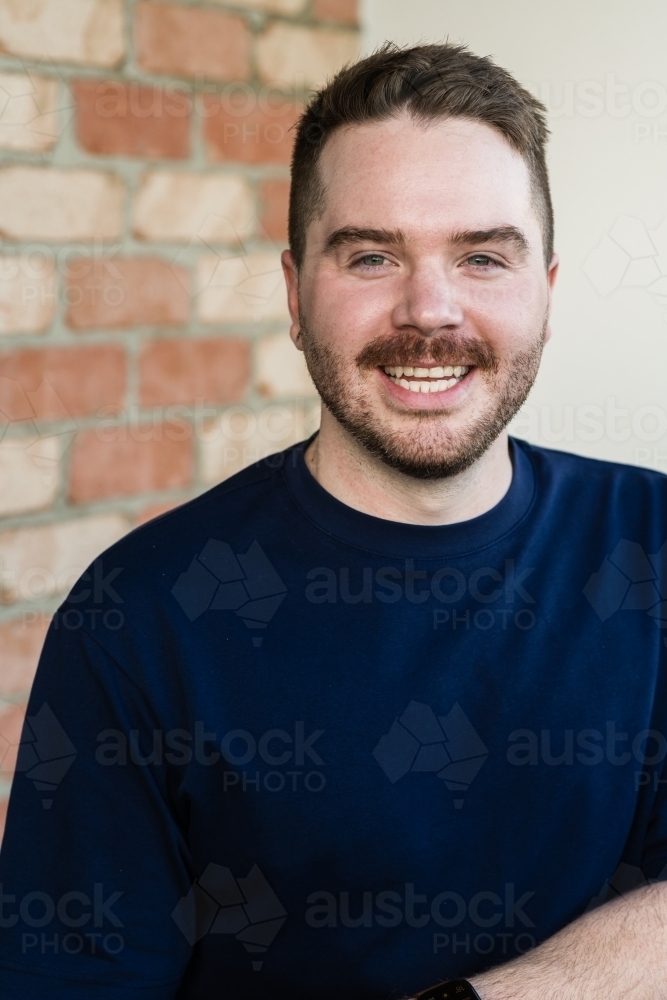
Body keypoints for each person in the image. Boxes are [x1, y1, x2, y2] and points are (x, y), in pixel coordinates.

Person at [0, 41, 666, 1000]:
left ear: (546, 295)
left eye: (482, 256)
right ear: (293, 293)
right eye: (370, 255)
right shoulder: (138, 621)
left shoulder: (645, 547)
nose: (429, 311)